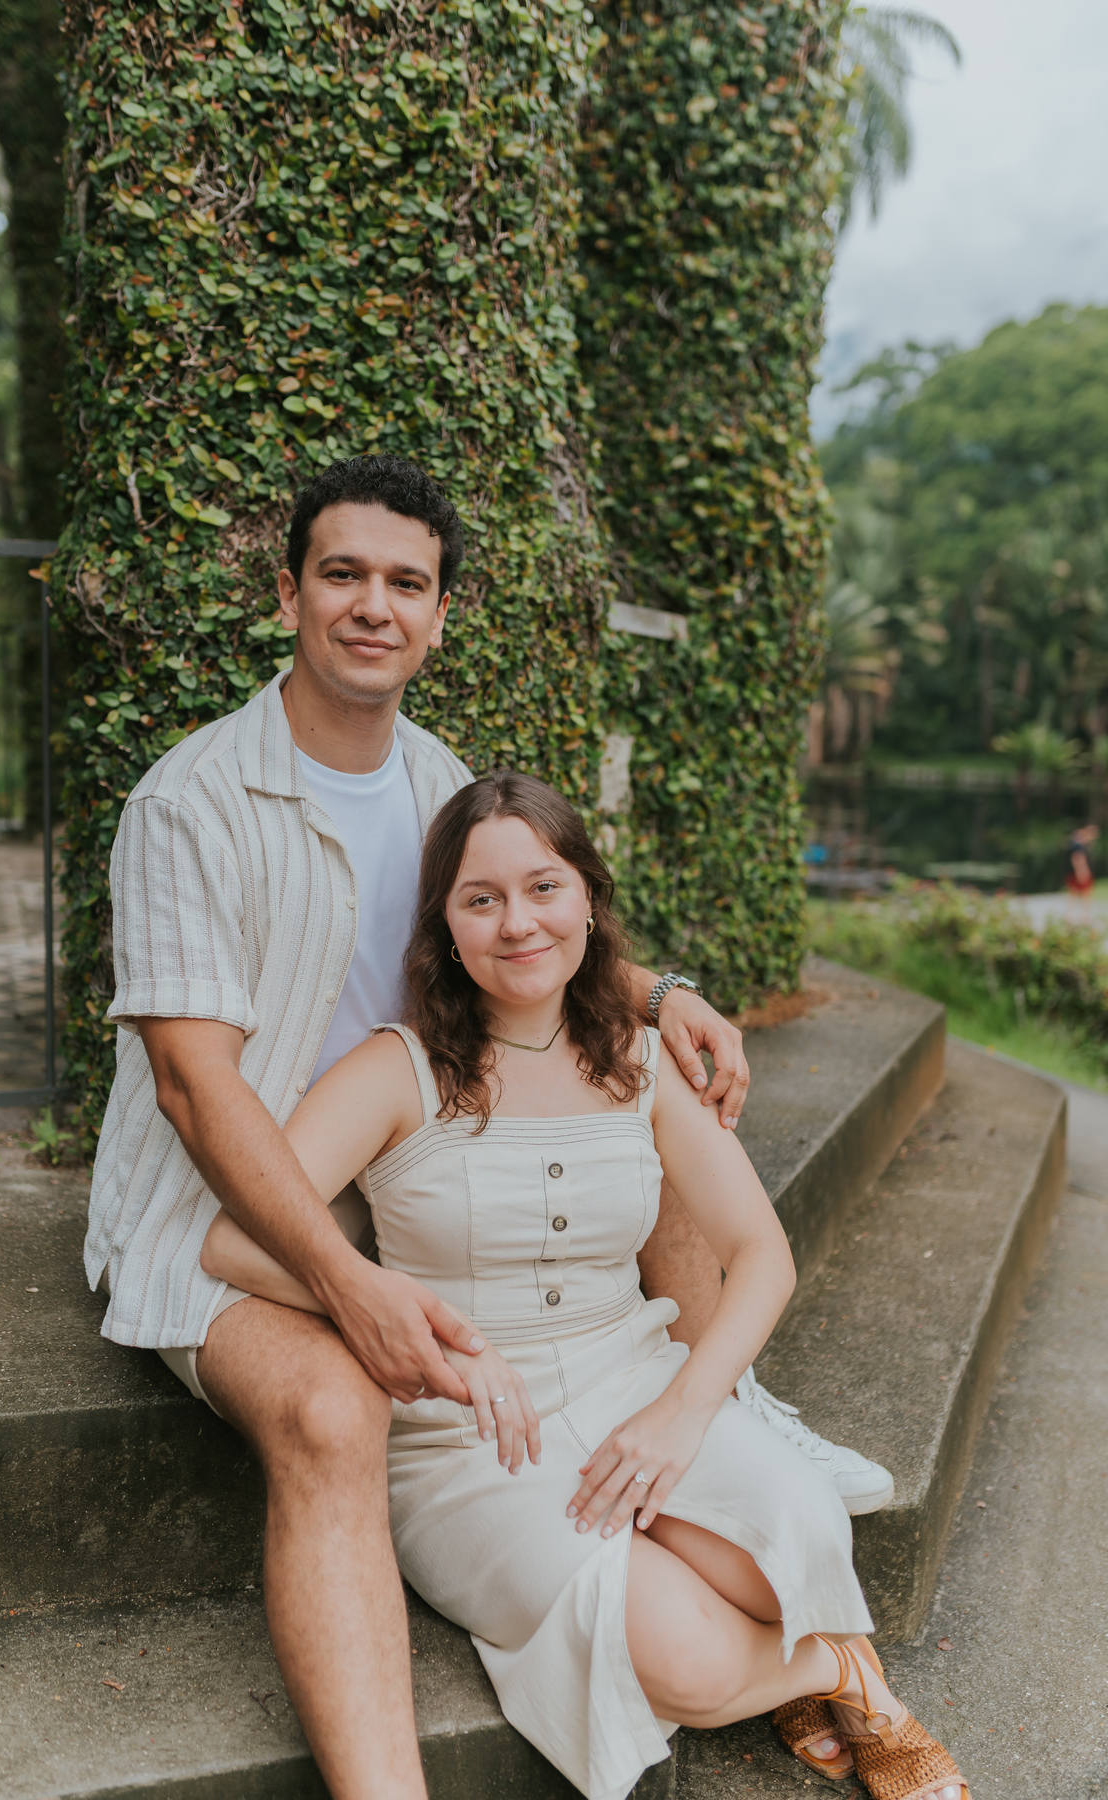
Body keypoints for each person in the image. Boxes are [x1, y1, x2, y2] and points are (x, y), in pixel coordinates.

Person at [85, 455, 889, 1800]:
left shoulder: (434, 777)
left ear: (440, 615)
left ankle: (722, 1422)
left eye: (406, 583)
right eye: (343, 574)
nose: (374, 606)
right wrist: (351, 1286)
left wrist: (662, 997)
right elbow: (193, 1089)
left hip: (407, 1173)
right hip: (232, 1216)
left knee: (653, 1144)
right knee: (335, 1410)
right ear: (288, 594)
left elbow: (524, 926)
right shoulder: (192, 803)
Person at [201, 771, 968, 1800]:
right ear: (445, 928)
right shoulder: (396, 1070)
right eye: (481, 899)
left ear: (590, 901)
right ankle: (841, 1672)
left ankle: (781, 1644)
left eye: (544, 888)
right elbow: (237, 1246)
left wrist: (681, 1413)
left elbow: (761, 1252)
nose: (518, 923)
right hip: (472, 1438)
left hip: (636, 1381)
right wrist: (416, 1322)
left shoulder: (639, 1060)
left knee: (801, 1531)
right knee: (690, 1662)